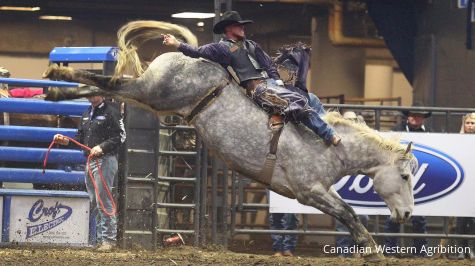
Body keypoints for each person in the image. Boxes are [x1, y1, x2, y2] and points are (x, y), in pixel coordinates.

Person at [162, 11, 341, 146]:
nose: (242, 28)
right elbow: (197, 52)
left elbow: (269, 64)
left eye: (242, 25)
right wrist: (177, 44)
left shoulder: (252, 45)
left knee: (312, 99)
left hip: (272, 85)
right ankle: (328, 134)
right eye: (238, 26)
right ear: (228, 29)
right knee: (297, 102)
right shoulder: (221, 48)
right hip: (258, 89)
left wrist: (277, 80)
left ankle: (324, 127)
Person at [54, 96, 125, 251]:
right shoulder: (86, 113)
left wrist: (102, 147)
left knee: (103, 200)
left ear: (100, 94)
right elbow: (80, 138)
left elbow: (120, 136)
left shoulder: (111, 111)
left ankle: (108, 240)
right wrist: (65, 141)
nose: (90, 96)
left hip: (105, 160)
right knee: (95, 201)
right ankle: (101, 239)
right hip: (90, 161)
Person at [383, 107, 430, 256]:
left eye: (419, 116)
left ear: (423, 118)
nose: (416, 118)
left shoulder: (429, 133)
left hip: (419, 179)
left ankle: (420, 251)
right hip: (399, 180)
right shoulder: (396, 131)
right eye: (413, 115)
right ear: (408, 117)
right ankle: (390, 250)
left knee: (420, 219)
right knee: (393, 217)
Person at [334, 111, 370, 258]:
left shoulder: (362, 139)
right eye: (348, 121)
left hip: (356, 184)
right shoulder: (336, 137)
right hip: (343, 183)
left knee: (364, 218)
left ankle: (356, 249)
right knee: (343, 217)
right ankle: (343, 253)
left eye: (353, 121)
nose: (351, 123)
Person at [453, 113, 475, 259]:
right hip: (461, 184)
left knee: (473, 220)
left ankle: (472, 249)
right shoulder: (456, 140)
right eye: (468, 123)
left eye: (473, 123)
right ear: (463, 124)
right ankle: (461, 249)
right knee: (461, 220)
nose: (470, 126)